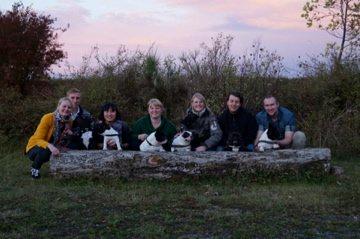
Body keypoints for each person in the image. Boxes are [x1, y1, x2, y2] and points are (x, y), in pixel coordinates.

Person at [25, 97, 73, 179]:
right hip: (34, 148)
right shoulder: (48, 117)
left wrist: (68, 135)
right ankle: (35, 170)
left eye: (69, 107)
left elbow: (61, 139)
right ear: (58, 106)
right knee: (47, 148)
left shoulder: (69, 121)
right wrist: (51, 146)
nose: (66, 109)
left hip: (51, 148)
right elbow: (38, 139)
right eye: (64, 106)